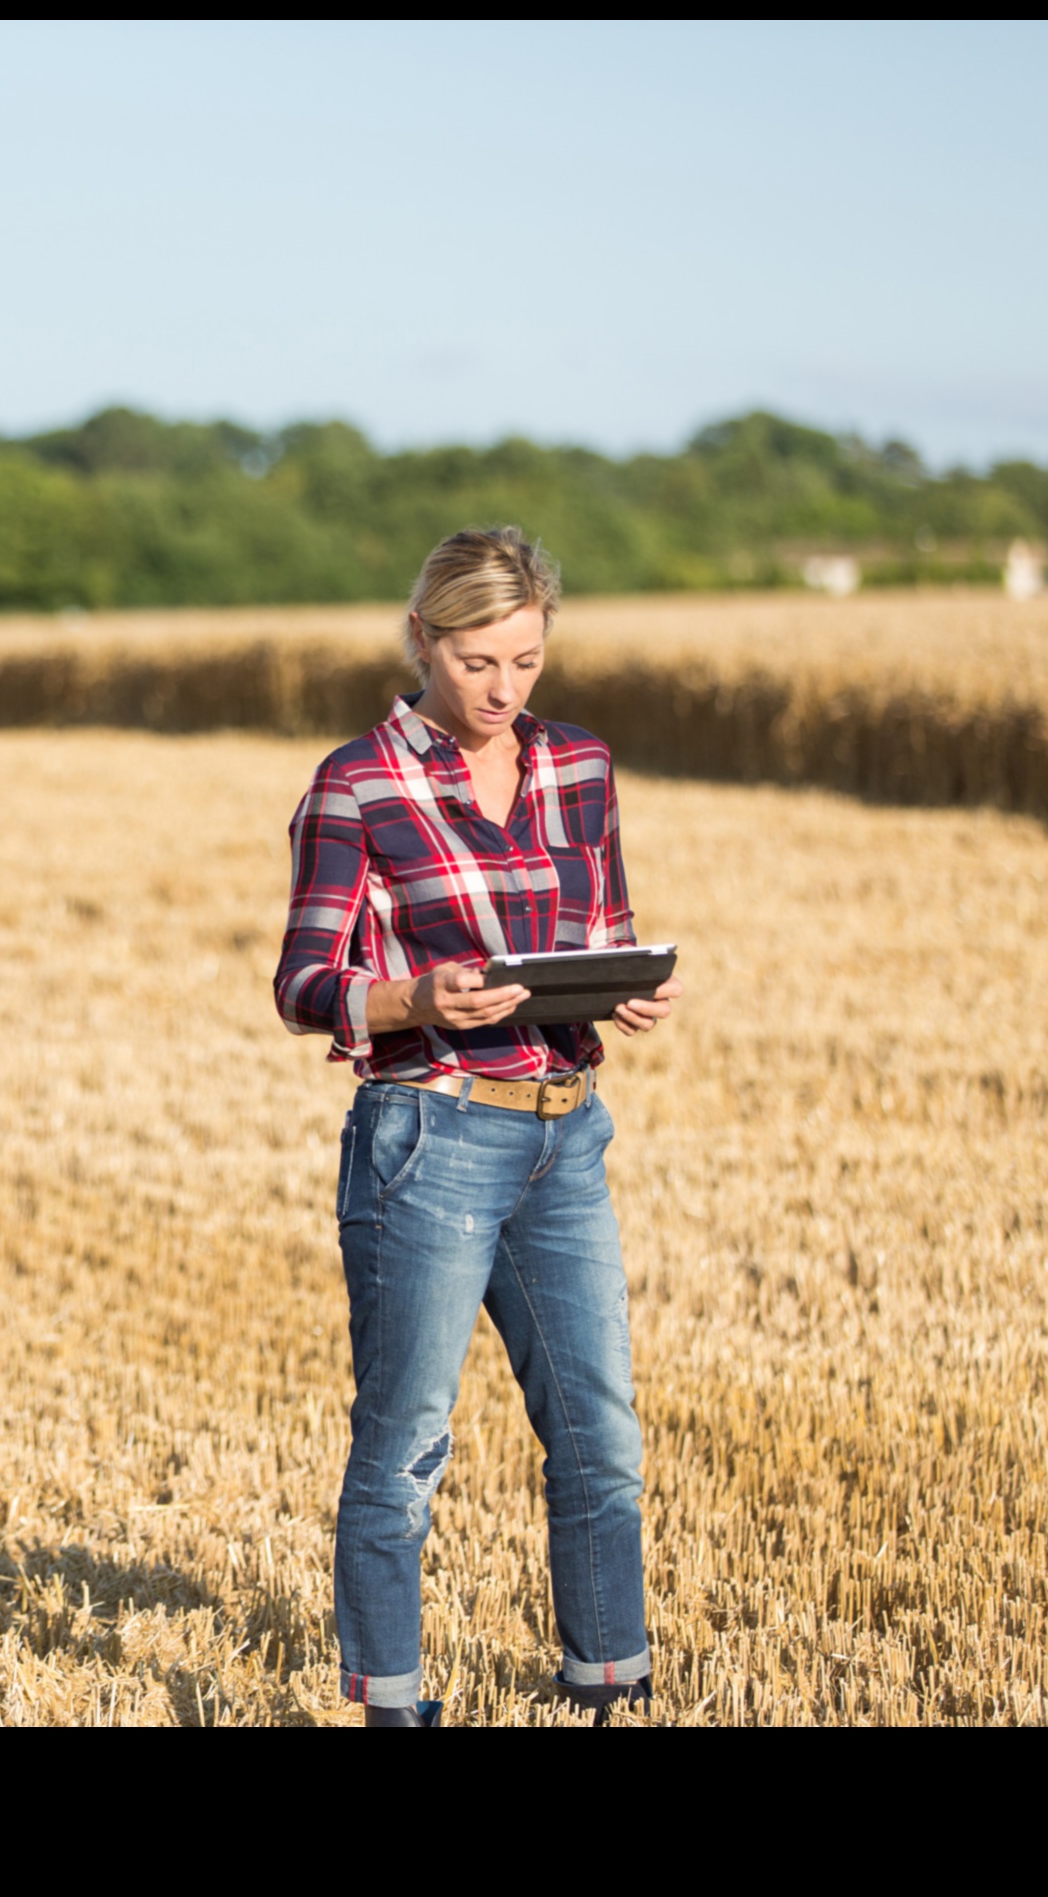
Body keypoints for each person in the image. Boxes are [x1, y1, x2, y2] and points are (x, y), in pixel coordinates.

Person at [272, 527, 683, 1727]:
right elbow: (303, 984)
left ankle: (607, 1682)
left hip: (565, 1132)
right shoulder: (356, 783)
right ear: (420, 641)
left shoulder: (581, 767)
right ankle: (390, 1702)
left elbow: (596, 924)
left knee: (598, 1433)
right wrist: (411, 999)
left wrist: (625, 981)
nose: (502, 691)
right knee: (403, 1447)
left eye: (525, 662)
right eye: (476, 663)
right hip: (426, 1138)